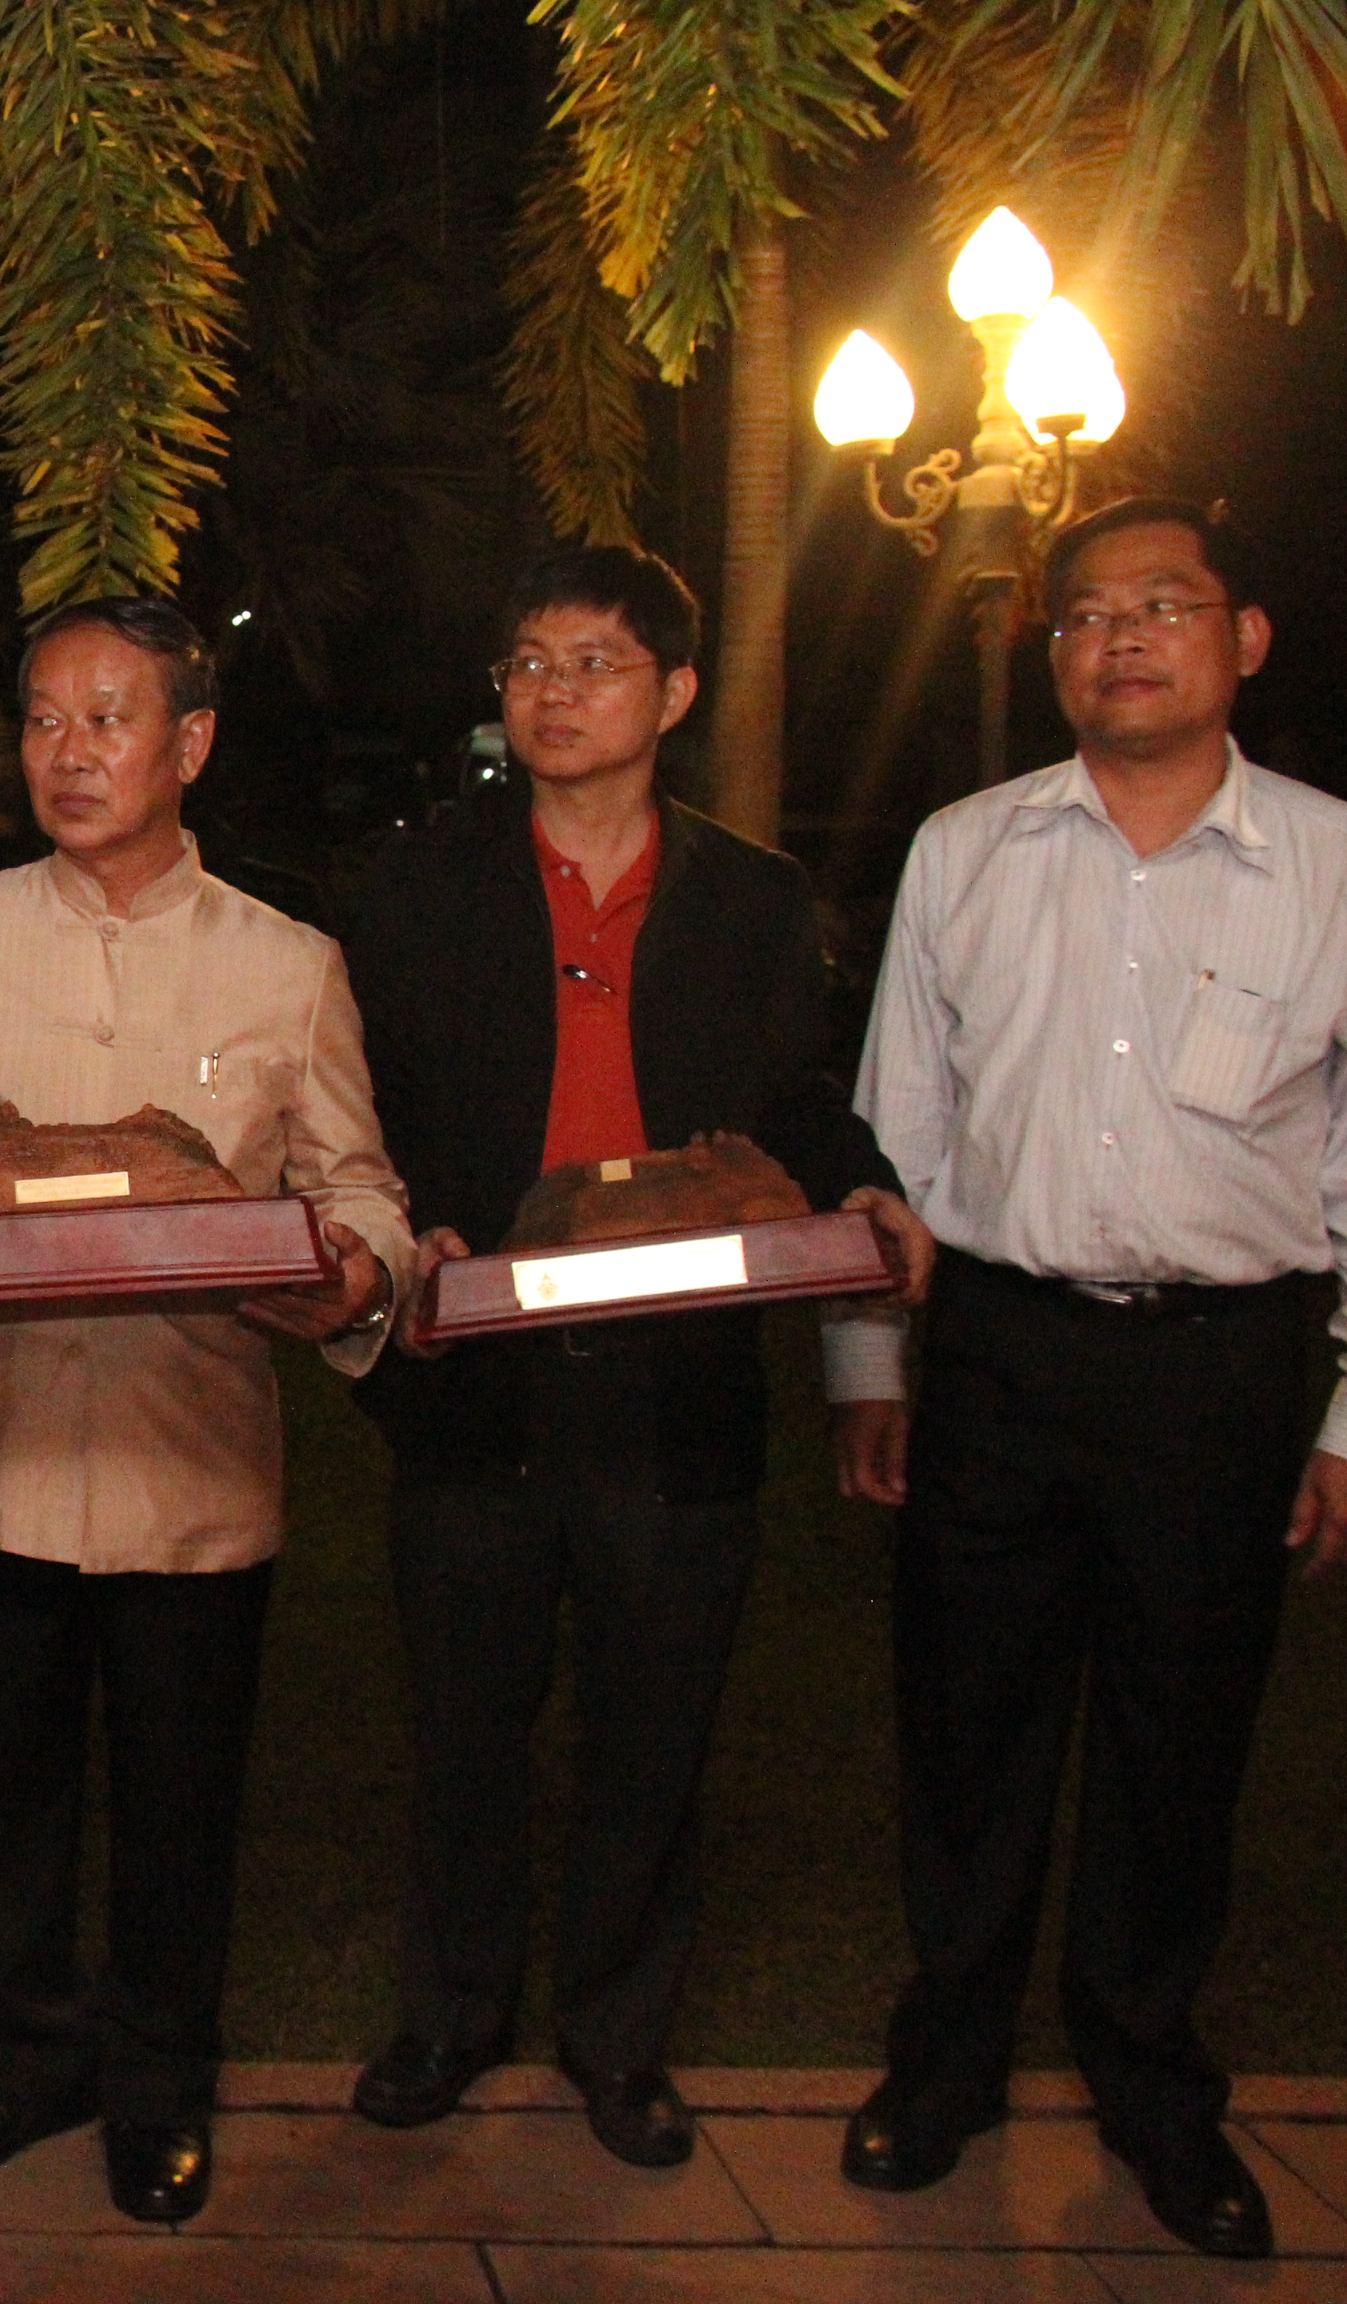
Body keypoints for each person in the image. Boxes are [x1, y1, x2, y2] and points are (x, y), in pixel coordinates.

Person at [0, 597, 407, 2226]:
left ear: (189, 744)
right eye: (43, 720)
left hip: (184, 1462)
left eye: (109, 718)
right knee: (2, 1779)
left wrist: (356, 1274)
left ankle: (157, 2085)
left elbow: (359, 1186)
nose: (69, 753)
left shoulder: (289, 968)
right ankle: (22, 2058)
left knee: (178, 1799)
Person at [340, 546, 925, 2170]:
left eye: (594, 663)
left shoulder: (753, 899)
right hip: (480, 1366)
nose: (555, 693)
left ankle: (618, 2040)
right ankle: (451, 2018)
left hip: (678, 1376)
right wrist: (409, 1224)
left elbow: (794, 1100)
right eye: (529, 661)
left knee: (654, 1728)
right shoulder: (424, 882)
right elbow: (367, 1099)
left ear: (673, 693)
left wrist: (863, 1183)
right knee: (466, 1722)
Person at [825, 496, 1347, 2262]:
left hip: (1224, 1369)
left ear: (1243, 639)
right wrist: (867, 1363)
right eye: (1085, 615)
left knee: (1178, 1745)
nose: (1121, 639)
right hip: (1004, 1352)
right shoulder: (967, 852)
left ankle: (1153, 2089)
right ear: (1051, 654)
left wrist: (1344, 1419)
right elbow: (895, 1131)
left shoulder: (1330, 865)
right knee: (967, 1731)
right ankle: (947, 2068)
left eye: (1163, 606)